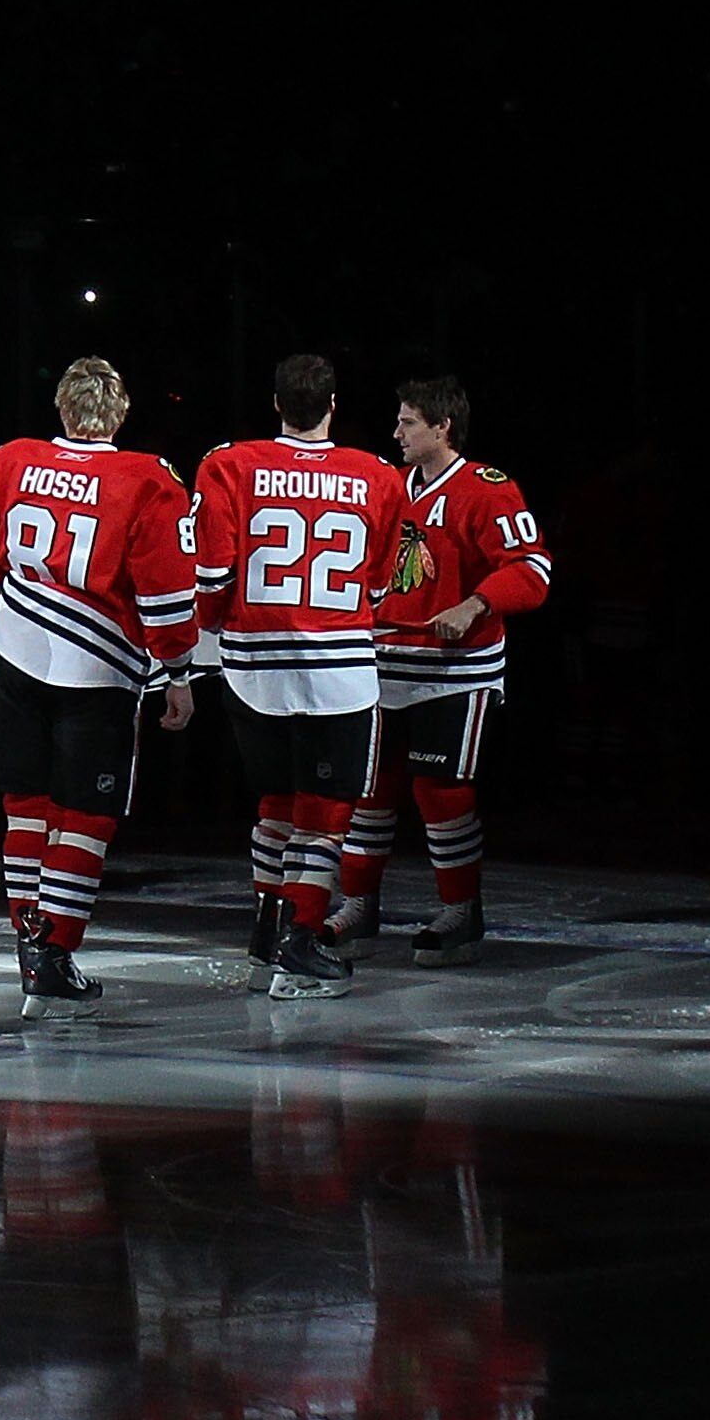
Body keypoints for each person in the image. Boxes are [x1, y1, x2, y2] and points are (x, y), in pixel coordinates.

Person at [0, 357, 200, 1018]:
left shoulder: (11, 460)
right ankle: (53, 956)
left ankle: (32, 946)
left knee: (25, 807)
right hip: (99, 669)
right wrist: (177, 671)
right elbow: (167, 593)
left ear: (63, 407)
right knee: (86, 815)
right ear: (118, 413)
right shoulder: (149, 478)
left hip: (18, 653)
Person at [190, 354, 408, 999]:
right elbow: (377, 577)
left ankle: (268, 923)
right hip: (336, 667)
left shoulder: (229, 463)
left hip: (252, 665)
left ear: (277, 402)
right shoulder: (376, 475)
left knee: (277, 800)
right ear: (333, 403)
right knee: (324, 814)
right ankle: (301, 939)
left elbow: (212, 570)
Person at [334, 375, 553, 966]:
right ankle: (358, 905)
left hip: (456, 673)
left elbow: (533, 571)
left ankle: (461, 909)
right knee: (369, 790)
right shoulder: (388, 487)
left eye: (407, 423)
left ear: (442, 427)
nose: (396, 433)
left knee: (441, 792)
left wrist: (476, 603)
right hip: (382, 666)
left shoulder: (489, 489)